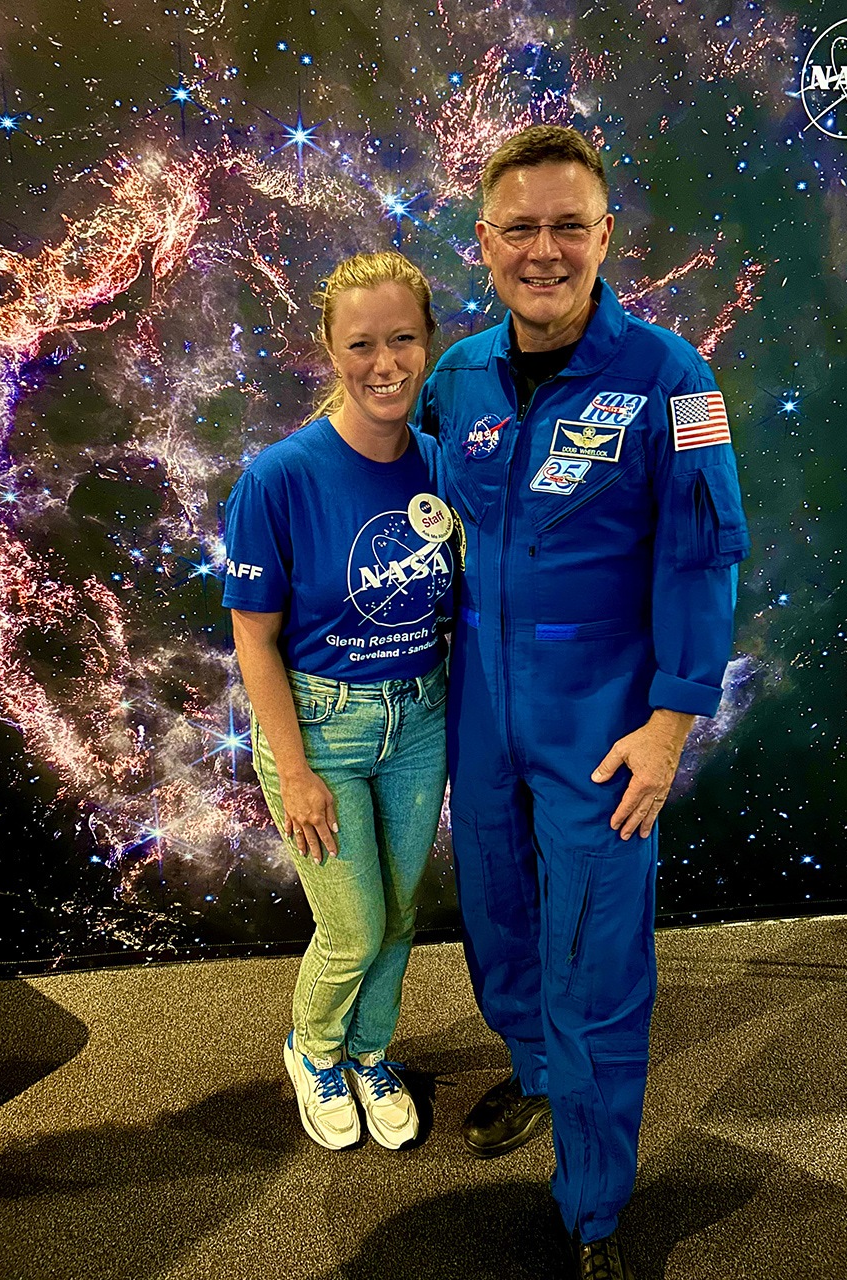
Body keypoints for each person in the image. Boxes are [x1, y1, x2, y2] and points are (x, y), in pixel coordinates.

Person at [418, 126, 749, 1277]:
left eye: (569, 226)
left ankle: (595, 1209)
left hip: (604, 718)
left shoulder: (672, 379)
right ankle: (534, 1070)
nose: (544, 250)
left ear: (606, 236)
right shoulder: (455, 377)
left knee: (601, 960)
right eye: (520, 228)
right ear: (486, 243)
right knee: (502, 915)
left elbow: (704, 559)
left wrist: (669, 726)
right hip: (482, 703)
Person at [223, 251, 454, 1152]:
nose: (386, 363)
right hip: (321, 727)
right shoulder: (279, 479)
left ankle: (370, 1053)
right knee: (353, 927)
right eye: (362, 343)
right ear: (329, 347)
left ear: (428, 340)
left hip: (419, 719)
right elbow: (254, 638)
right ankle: (312, 1051)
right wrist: (295, 768)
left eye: (403, 338)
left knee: (400, 914)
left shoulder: (440, 465)